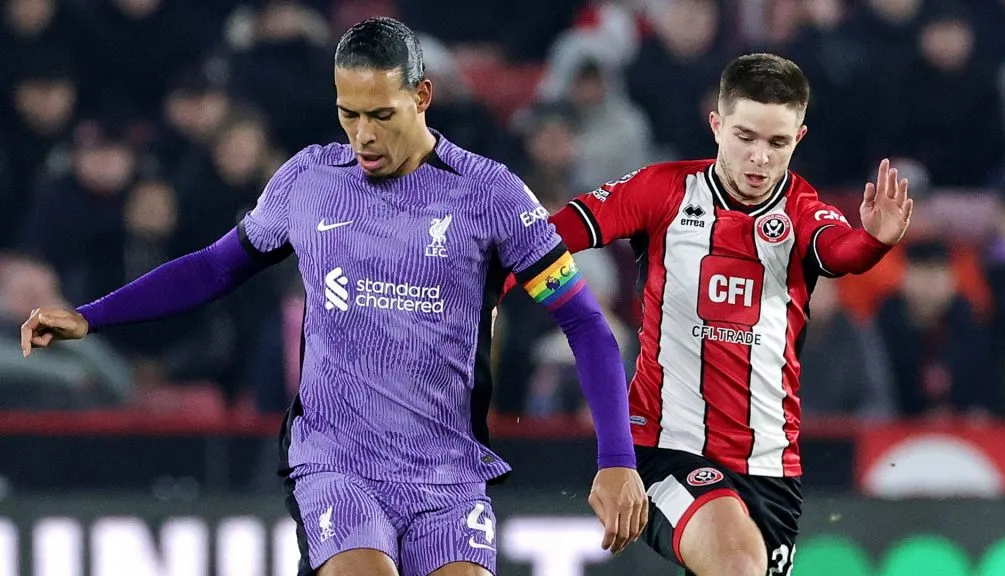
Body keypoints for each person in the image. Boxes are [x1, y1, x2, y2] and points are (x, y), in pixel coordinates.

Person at [20, 17, 648, 576]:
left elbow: (585, 323)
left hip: (447, 476)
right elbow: (215, 268)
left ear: (422, 97)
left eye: (381, 115)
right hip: (337, 464)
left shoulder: (491, 196)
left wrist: (617, 459)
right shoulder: (310, 181)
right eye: (349, 114)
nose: (363, 136)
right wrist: (91, 317)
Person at [519, 53, 914, 576]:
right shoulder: (662, 190)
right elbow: (548, 237)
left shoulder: (801, 209)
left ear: (798, 139)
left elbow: (839, 252)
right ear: (717, 125)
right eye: (745, 136)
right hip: (666, 448)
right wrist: (481, 284)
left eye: (777, 143)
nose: (759, 158)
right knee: (735, 564)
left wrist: (873, 240)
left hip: (771, 468)